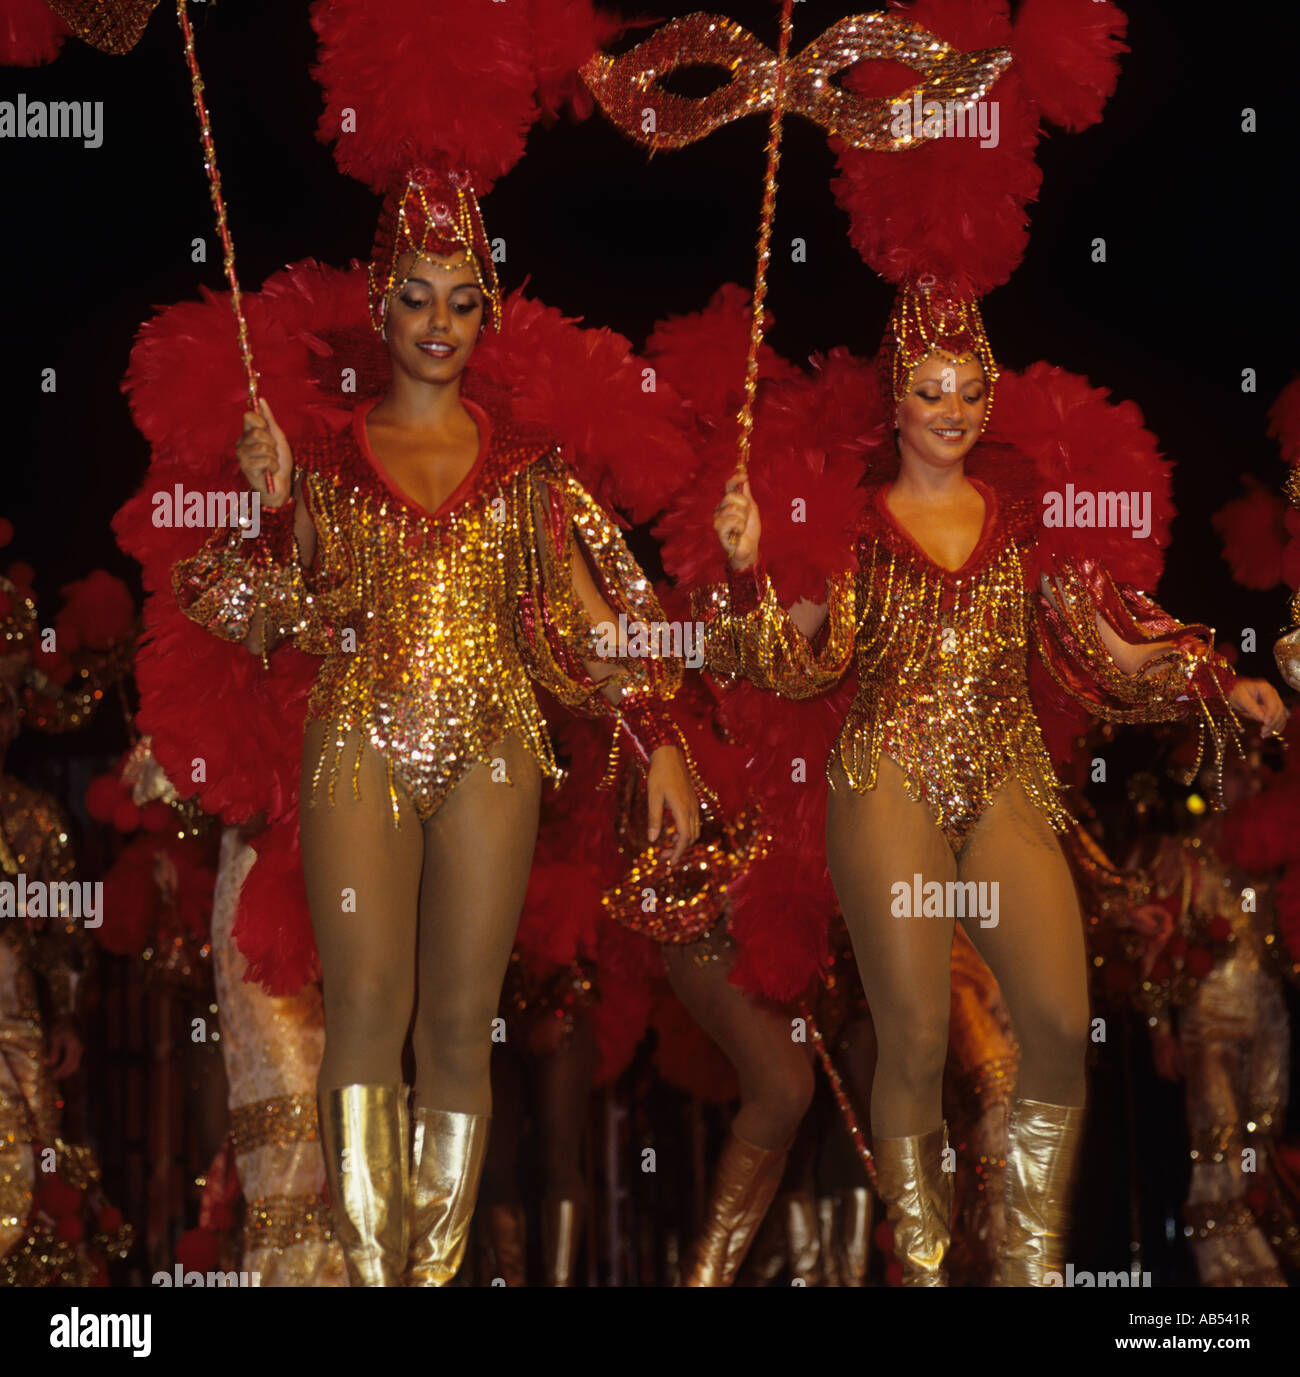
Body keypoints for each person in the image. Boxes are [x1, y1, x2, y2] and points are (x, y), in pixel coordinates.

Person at [171, 164, 699, 1286]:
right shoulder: (318, 461)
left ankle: (436, 1274)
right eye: (416, 296)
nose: (439, 324)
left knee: (460, 1027)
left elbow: (596, 624)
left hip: (495, 745)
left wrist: (659, 741)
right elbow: (254, 608)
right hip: (354, 738)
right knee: (367, 1006)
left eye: (462, 300)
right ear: (379, 301)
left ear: (488, 311)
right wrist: (267, 512)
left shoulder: (526, 471)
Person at [700, 282, 1288, 1285]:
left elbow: (1112, 644)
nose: (951, 409)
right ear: (895, 401)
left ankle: (1023, 1251)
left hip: (1006, 779)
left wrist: (1217, 681)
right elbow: (780, 662)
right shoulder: (853, 530)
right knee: (915, 1034)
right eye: (930, 390)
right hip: (885, 778)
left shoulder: (1025, 521)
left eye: (969, 390)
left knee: (1060, 1026)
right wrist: (748, 569)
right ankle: (922, 1254)